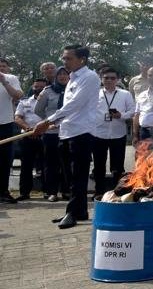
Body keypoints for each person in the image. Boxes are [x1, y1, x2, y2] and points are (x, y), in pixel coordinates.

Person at [32, 45, 101, 229]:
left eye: (68, 58)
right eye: (63, 58)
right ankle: (80, 211)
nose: (64, 62)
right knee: (69, 176)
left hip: (82, 133)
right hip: (67, 131)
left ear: (82, 60)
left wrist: (47, 121)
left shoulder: (90, 77)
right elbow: (69, 108)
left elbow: (76, 105)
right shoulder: (72, 78)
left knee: (78, 175)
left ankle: (71, 213)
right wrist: (56, 122)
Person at [91, 67, 136, 200]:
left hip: (118, 133)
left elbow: (133, 111)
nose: (109, 80)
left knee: (117, 166)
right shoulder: (95, 94)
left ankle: (117, 192)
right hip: (98, 133)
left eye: (112, 78)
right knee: (99, 165)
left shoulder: (125, 94)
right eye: (106, 78)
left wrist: (121, 115)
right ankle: (99, 191)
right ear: (101, 79)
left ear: (117, 80)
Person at [34, 67, 69, 202]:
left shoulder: (74, 91)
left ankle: (67, 191)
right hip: (51, 132)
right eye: (59, 74)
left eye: (65, 74)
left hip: (68, 132)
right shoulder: (47, 91)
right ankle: (52, 192)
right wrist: (48, 121)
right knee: (51, 163)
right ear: (55, 76)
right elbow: (38, 110)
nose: (62, 76)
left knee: (67, 163)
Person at [13, 79, 48, 200]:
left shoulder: (50, 101)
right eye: (36, 86)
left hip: (45, 136)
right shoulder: (24, 101)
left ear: (46, 88)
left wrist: (40, 130)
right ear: (32, 87)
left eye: (42, 87)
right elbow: (17, 118)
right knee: (26, 166)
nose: (38, 89)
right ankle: (24, 193)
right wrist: (28, 129)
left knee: (46, 165)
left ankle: (47, 192)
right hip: (26, 137)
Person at [0, 58, 24, 203]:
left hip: (5, 124)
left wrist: (4, 81)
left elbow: (18, 96)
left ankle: (3, 191)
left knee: (4, 160)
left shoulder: (11, 78)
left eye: (3, 66)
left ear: (8, 68)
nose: (1, 68)